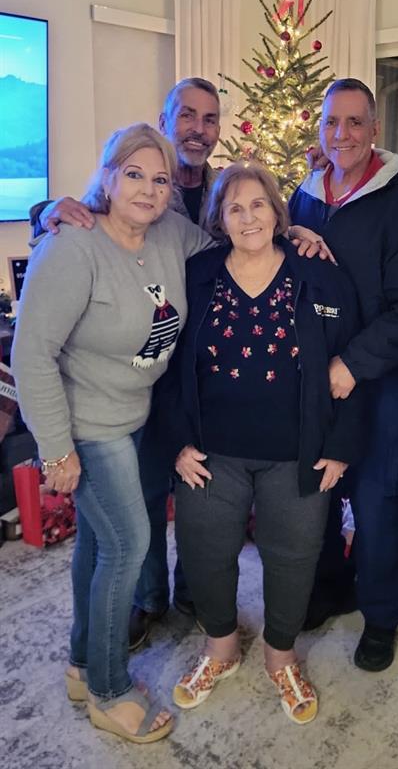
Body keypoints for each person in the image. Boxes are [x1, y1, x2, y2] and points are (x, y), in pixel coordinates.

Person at [12, 123, 212, 743]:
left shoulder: (170, 233)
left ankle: (81, 665)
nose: (148, 190)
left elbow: (238, 236)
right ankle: (107, 689)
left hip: (136, 420)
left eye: (158, 179)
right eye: (134, 175)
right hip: (87, 425)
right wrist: (55, 451)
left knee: (98, 548)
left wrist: (298, 233)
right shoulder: (73, 246)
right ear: (106, 177)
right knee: (129, 543)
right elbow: (30, 353)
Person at [160, 162, 363, 724]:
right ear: (220, 220)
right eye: (235, 207)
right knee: (204, 552)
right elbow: (169, 365)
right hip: (210, 451)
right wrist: (177, 441)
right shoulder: (196, 273)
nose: (248, 217)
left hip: (297, 451)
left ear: (278, 212)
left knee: (293, 557)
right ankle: (220, 647)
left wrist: (341, 444)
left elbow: (349, 363)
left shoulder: (319, 274)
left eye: (258, 204)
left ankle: (281, 655)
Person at [30, 78, 223, 649]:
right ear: (166, 120)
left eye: (209, 119)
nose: (198, 127)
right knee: (127, 524)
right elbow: (82, 220)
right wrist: (47, 209)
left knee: (182, 497)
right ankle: (138, 609)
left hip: (179, 370)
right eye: (187, 115)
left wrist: (293, 231)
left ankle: (181, 600)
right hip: (115, 387)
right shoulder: (128, 183)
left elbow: (246, 233)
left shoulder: (218, 190)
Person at [289, 78, 398, 672]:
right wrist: (290, 233)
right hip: (316, 378)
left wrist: (352, 363)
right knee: (319, 492)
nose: (341, 134)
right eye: (331, 123)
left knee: (375, 501)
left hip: (376, 380)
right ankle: (329, 587)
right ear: (320, 129)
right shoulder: (306, 194)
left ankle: (380, 615)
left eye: (354, 122)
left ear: (375, 129)